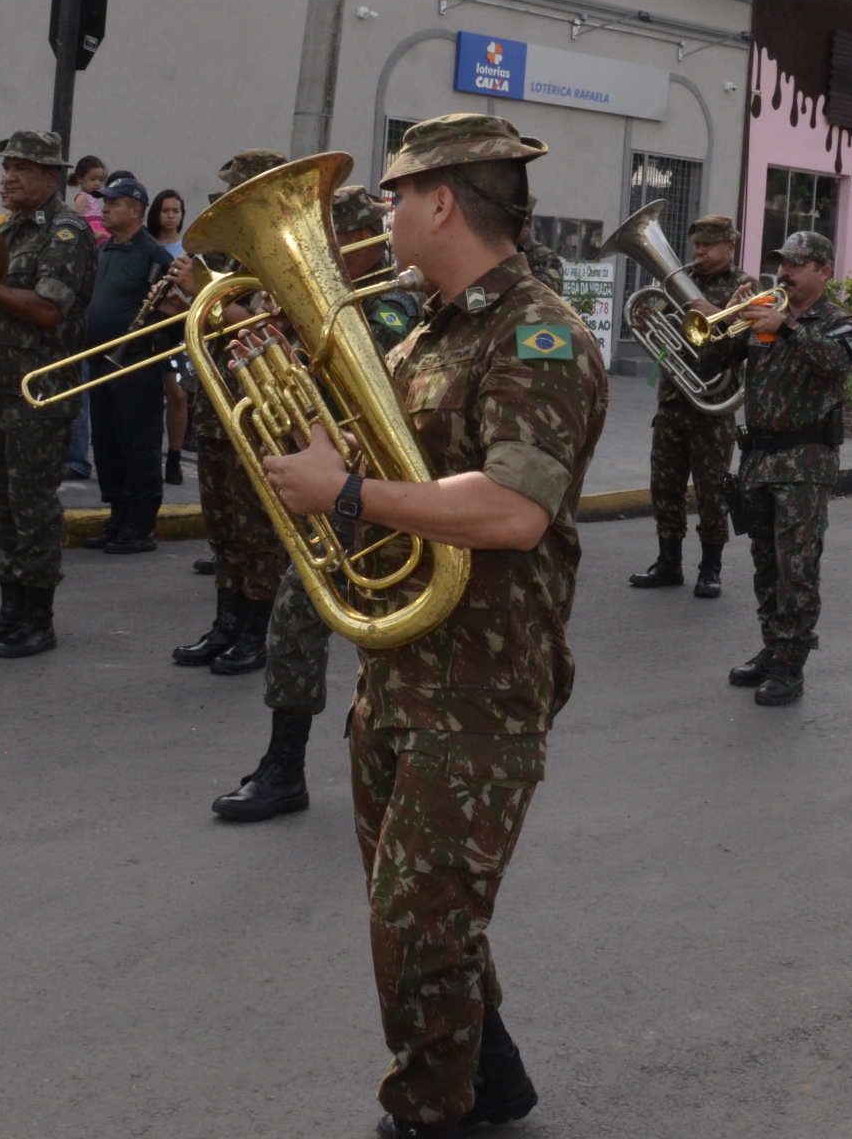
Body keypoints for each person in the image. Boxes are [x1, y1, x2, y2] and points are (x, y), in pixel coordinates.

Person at [255, 114, 604, 1138]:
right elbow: (402, 470)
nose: (381, 213)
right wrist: (313, 438)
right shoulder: (424, 328)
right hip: (405, 663)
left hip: (484, 681)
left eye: (395, 196)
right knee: (422, 915)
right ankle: (489, 1084)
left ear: (442, 201)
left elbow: (509, 509)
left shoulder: (536, 332)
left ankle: (429, 1114)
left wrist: (346, 492)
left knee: (415, 924)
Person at [213, 182, 425, 824]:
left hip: (397, 491)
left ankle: (411, 767)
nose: (320, 252)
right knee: (297, 616)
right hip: (338, 485)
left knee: (396, 631)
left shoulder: (391, 301)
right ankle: (284, 765)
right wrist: (268, 345)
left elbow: (378, 372)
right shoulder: (320, 303)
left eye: (332, 240)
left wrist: (297, 333)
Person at [0, 129, 96, 659]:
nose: (8, 178)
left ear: (51, 177)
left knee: (30, 504)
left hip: (38, 390)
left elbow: (48, 309)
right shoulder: (7, 231)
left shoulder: (66, 232)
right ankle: (9, 608)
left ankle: (38, 616)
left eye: (22, 170)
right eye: (7, 169)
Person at [703, 230, 852, 708]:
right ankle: (772, 647)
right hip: (758, 459)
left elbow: (837, 363)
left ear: (824, 271)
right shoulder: (762, 315)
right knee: (765, 563)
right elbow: (710, 360)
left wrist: (786, 326)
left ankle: (791, 663)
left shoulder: (837, 322)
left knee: (797, 567)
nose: (784, 273)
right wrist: (723, 321)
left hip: (805, 462)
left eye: (796, 265)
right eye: (782, 263)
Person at [171, 148, 294, 674]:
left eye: (236, 192)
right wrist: (184, 299)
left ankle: (255, 631)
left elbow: (275, 329)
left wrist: (208, 296)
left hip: (260, 407)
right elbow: (209, 325)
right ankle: (226, 623)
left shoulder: (281, 249)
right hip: (217, 404)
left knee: (257, 530)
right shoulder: (227, 258)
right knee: (221, 525)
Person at [626, 214, 750, 598]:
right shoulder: (678, 282)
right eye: (696, 244)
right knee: (665, 486)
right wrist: (650, 321)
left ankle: (710, 568)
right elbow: (667, 336)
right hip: (673, 399)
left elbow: (744, 343)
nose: (699, 252)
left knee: (712, 492)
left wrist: (713, 310)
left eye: (708, 246)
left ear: (729, 247)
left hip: (712, 404)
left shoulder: (745, 286)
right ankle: (668, 563)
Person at [81, 177, 172, 554]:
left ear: (135, 210)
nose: (105, 208)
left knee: (138, 444)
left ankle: (140, 524)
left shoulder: (152, 254)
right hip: (100, 362)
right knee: (107, 443)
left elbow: (170, 312)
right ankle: (118, 516)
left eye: (113, 203)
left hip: (135, 364)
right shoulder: (106, 249)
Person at [148, 189, 191, 484]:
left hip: (178, 328)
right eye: (166, 210)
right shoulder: (148, 246)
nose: (171, 216)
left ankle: (174, 456)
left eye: (176, 211)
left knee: (177, 393)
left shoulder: (189, 250)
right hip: (153, 327)